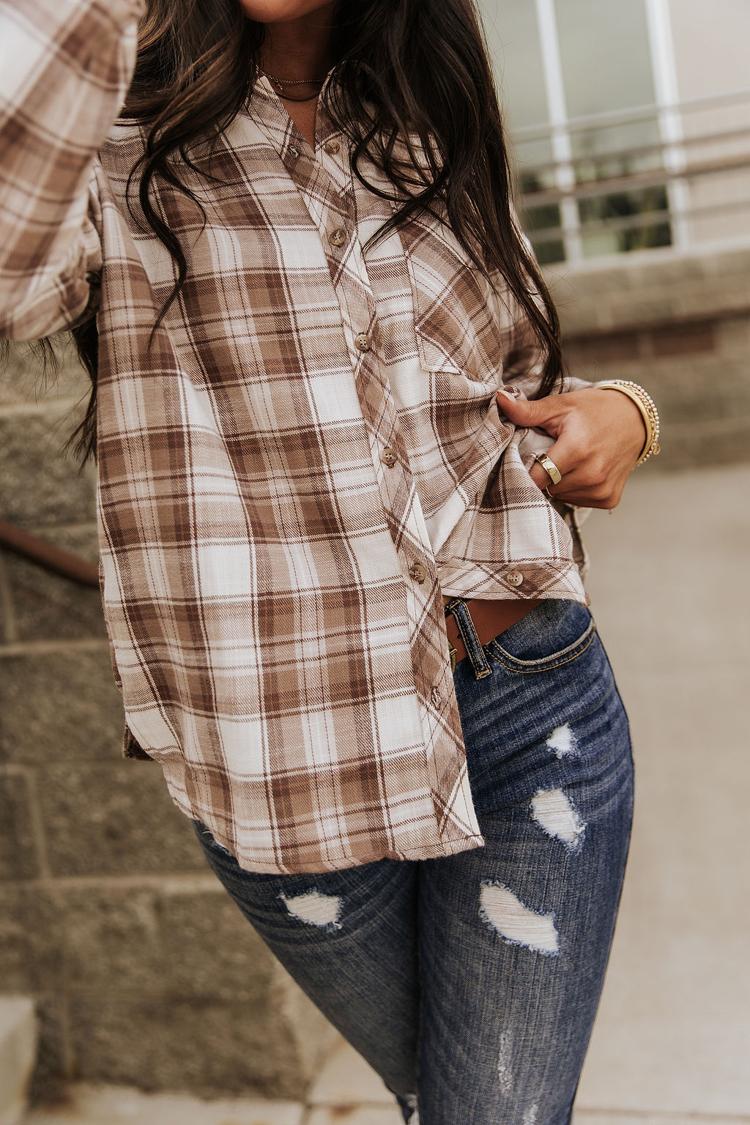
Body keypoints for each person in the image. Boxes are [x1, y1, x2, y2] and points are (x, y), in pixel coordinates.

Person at [0, 0, 660, 1120]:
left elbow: (513, 373)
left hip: (533, 709)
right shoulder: (105, 131)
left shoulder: (422, 110)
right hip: (278, 762)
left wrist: (628, 410)